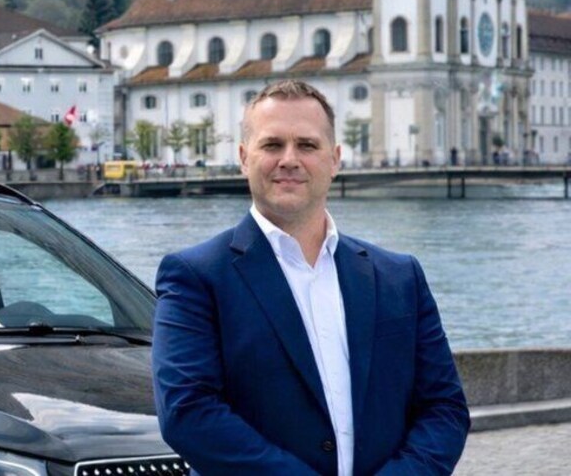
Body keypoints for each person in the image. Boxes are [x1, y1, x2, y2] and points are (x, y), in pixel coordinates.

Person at [152, 80, 469, 475]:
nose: (289, 159)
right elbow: (188, 412)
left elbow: (444, 408)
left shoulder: (400, 276)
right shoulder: (195, 276)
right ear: (244, 158)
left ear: (335, 160)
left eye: (307, 145)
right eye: (272, 145)